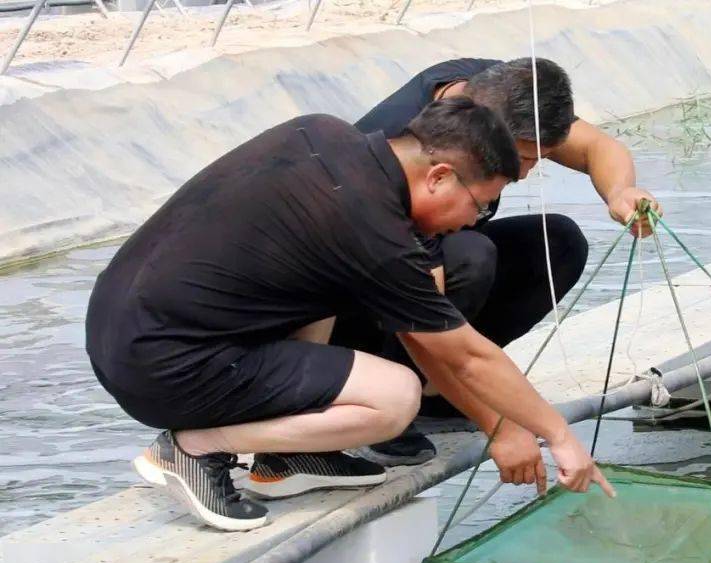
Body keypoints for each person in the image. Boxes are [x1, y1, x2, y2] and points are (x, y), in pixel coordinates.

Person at [85, 98, 614, 532]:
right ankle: (195, 449)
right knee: (396, 398)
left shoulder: (321, 132)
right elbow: (465, 356)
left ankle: (285, 456)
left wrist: (501, 424)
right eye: (479, 205)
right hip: (165, 364)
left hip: (119, 326)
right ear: (439, 176)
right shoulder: (371, 229)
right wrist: (557, 436)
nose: (473, 221)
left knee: (325, 291)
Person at [340, 58, 662, 480]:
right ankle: (388, 403)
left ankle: (438, 398)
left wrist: (621, 192)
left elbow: (596, 147)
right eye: (525, 158)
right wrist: (503, 425)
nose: (526, 173)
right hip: (360, 302)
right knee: (470, 256)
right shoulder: (403, 140)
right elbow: (418, 311)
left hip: (428, 273)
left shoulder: (500, 86)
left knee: (558, 242)